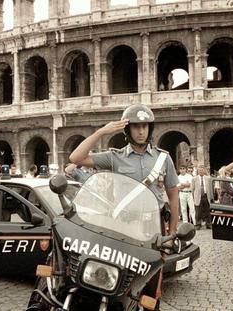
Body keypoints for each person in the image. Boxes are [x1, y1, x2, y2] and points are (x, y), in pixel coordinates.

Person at [69, 103, 179, 310]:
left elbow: (174, 197)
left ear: (150, 129)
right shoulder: (115, 157)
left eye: (145, 126)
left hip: (152, 231)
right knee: (116, 280)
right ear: (127, 130)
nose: (141, 131)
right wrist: (102, 131)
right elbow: (75, 158)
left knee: (149, 290)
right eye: (136, 126)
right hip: (121, 228)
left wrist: (171, 234)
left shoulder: (163, 158)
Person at [191, 165, 211, 229]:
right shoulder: (194, 179)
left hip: (206, 196)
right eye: (199, 170)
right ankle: (198, 224)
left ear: (204, 170)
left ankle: (208, 224)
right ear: (198, 171)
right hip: (198, 196)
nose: (201, 171)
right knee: (198, 211)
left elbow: (210, 188)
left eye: (202, 170)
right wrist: (194, 196)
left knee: (207, 210)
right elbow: (192, 189)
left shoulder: (208, 178)